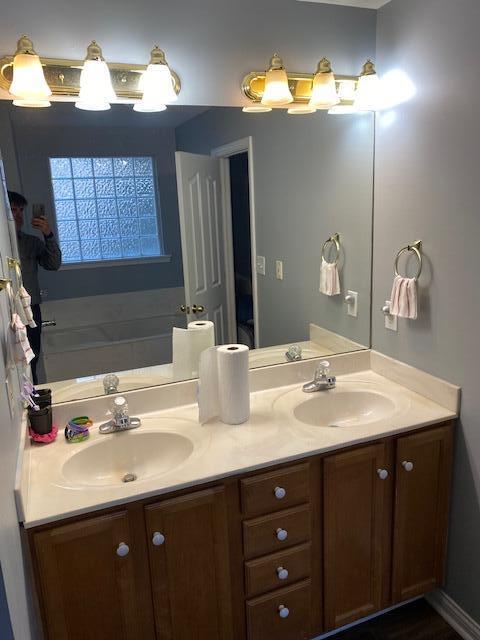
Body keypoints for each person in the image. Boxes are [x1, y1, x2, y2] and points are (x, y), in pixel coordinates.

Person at [8, 191, 62, 383]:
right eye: (13, 210)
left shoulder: (31, 242)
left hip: (30, 311)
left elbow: (53, 264)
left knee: (33, 359)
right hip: (5, 313)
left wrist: (48, 234)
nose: (19, 215)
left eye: (21, 210)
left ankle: (34, 402)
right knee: (12, 364)